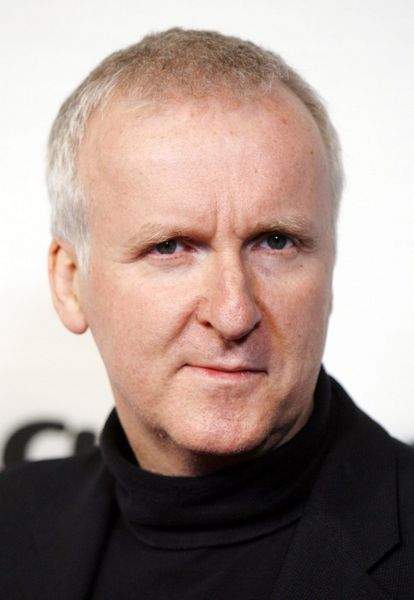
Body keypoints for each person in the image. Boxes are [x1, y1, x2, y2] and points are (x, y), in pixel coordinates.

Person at [1, 27, 413, 600]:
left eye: (276, 242)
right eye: (170, 247)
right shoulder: (11, 523)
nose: (233, 312)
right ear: (71, 284)